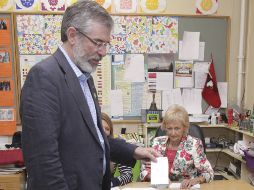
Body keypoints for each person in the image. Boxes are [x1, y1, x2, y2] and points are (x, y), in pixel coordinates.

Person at [20, 1, 158, 190]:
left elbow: (93, 138)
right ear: (72, 35)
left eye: (106, 44)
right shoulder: (44, 77)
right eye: (98, 43)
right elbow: (43, 162)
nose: (103, 52)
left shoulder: (84, 78)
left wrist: (133, 150)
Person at [140, 104, 214, 189]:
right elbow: (144, 171)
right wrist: (154, 178)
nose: (173, 133)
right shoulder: (157, 142)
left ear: (184, 128)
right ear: (165, 127)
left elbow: (208, 173)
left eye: (177, 128)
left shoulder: (194, 144)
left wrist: (194, 180)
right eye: (169, 128)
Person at [101, 112, 133, 187]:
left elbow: (128, 175)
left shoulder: (115, 147)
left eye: (107, 129)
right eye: (100, 127)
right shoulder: (86, 149)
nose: (104, 132)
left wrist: (112, 183)